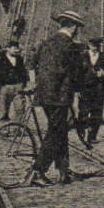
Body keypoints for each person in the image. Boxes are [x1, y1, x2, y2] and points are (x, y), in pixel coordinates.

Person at [31, 11, 87, 183]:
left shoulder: (47, 42)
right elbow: (74, 72)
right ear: (73, 27)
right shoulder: (69, 45)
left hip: (44, 94)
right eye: (77, 27)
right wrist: (79, 90)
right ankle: (38, 171)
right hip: (60, 95)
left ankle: (64, 171)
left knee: (60, 130)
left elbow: (35, 64)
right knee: (55, 133)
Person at [76, 37, 104, 145]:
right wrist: (77, 88)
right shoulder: (82, 56)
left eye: (96, 46)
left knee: (97, 112)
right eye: (92, 46)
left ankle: (92, 135)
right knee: (83, 111)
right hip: (85, 88)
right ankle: (81, 132)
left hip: (99, 89)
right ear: (89, 45)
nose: (94, 48)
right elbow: (78, 73)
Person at [0, 44, 30, 120]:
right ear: (8, 49)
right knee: (3, 112)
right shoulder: (0, 59)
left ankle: (17, 130)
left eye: (17, 49)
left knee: (20, 110)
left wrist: (23, 84)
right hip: (4, 88)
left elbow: (24, 73)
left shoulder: (20, 59)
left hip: (18, 88)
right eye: (14, 48)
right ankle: (4, 129)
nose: (17, 50)